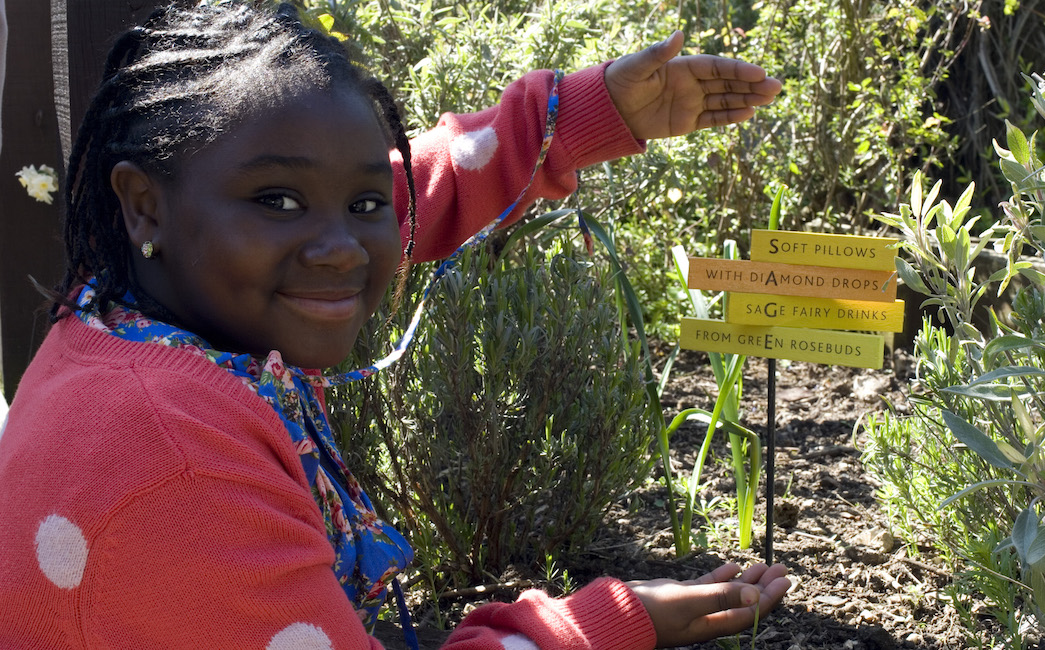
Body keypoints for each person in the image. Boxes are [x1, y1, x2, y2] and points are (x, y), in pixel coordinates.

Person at [0, 2, 788, 649]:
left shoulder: (117, 323)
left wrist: (582, 114)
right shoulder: (178, 466)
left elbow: (397, 198)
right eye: (278, 200)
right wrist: (584, 629)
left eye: (363, 204)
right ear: (145, 204)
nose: (342, 248)